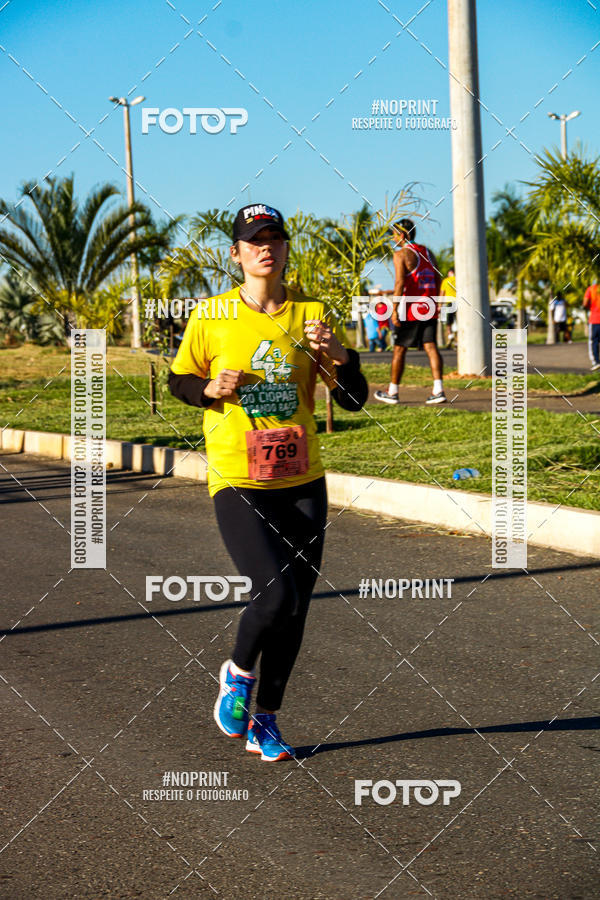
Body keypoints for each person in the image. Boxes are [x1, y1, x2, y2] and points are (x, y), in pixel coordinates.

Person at [168, 203, 368, 761]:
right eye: (254, 240)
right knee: (273, 593)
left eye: (274, 238)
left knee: (297, 604)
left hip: (302, 477)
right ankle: (237, 673)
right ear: (236, 254)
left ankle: (268, 720)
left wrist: (340, 355)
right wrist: (209, 389)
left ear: (284, 250)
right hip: (238, 474)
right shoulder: (211, 315)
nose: (265, 247)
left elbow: (352, 399)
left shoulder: (312, 315)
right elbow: (179, 382)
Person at [374, 218, 446, 405]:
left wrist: (395, 309)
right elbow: (438, 278)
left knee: (399, 349)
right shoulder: (428, 252)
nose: (392, 238)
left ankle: (392, 392)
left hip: (411, 309)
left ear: (403, 235)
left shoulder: (401, 254)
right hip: (429, 307)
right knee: (431, 347)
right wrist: (436, 301)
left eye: (394, 234)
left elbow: (399, 283)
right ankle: (438, 390)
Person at [583, 281, 600, 370]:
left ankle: (596, 362)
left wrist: (589, 306)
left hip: (595, 320)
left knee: (594, 341)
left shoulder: (591, 289)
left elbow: (585, 303)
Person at [440, 268, 457, 349]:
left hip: (449, 302)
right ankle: (457, 341)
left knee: (448, 323)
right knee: (458, 322)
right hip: (459, 302)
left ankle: (450, 336)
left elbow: (442, 293)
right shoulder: (459, 280)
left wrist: (439, 305)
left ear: (449, 273)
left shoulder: (445, 281)